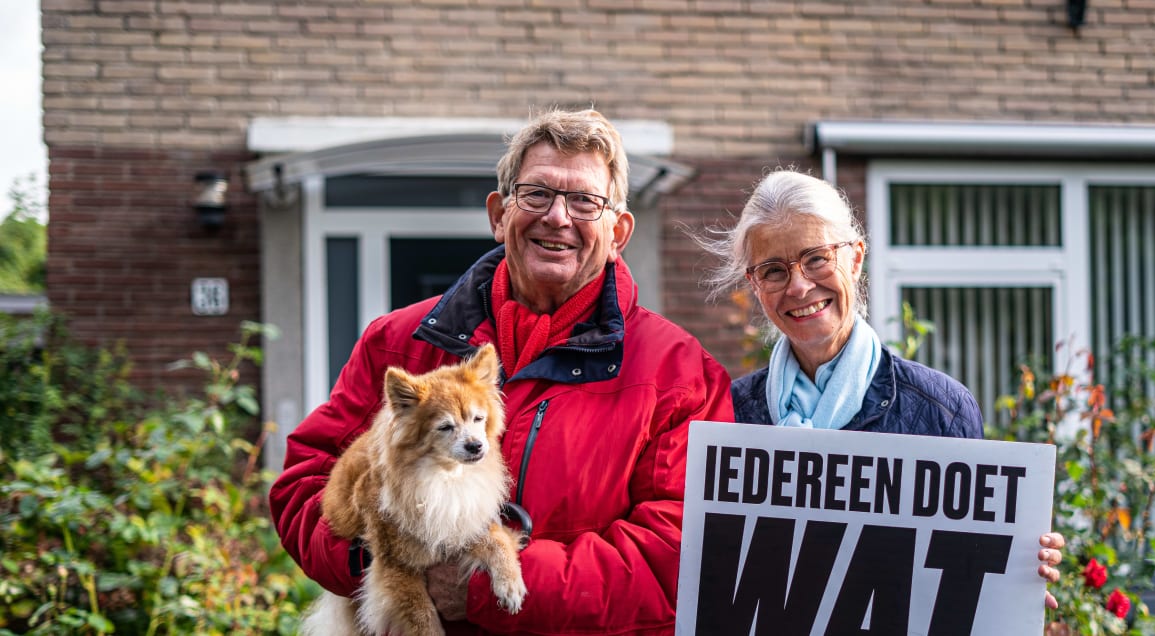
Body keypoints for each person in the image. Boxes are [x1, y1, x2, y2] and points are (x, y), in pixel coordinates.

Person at [270, 108, 734, 635]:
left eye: (585, 201)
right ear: (499, 214)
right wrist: (381, 554)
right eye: (536, 193)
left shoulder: (681, 373)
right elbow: (303, 482)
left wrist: (488, 583)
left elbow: (680, 550)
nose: (558, 217)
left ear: (619, 231)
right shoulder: (398, 342)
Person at [697, 168, 1066, 605]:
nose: (798, 286)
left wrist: (1012, 574)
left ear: (855, 258)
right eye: (774, 270)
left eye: (816, 258)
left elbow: (961, 576)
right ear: (755, 285)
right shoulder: (726, 417)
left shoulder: (940, 411)